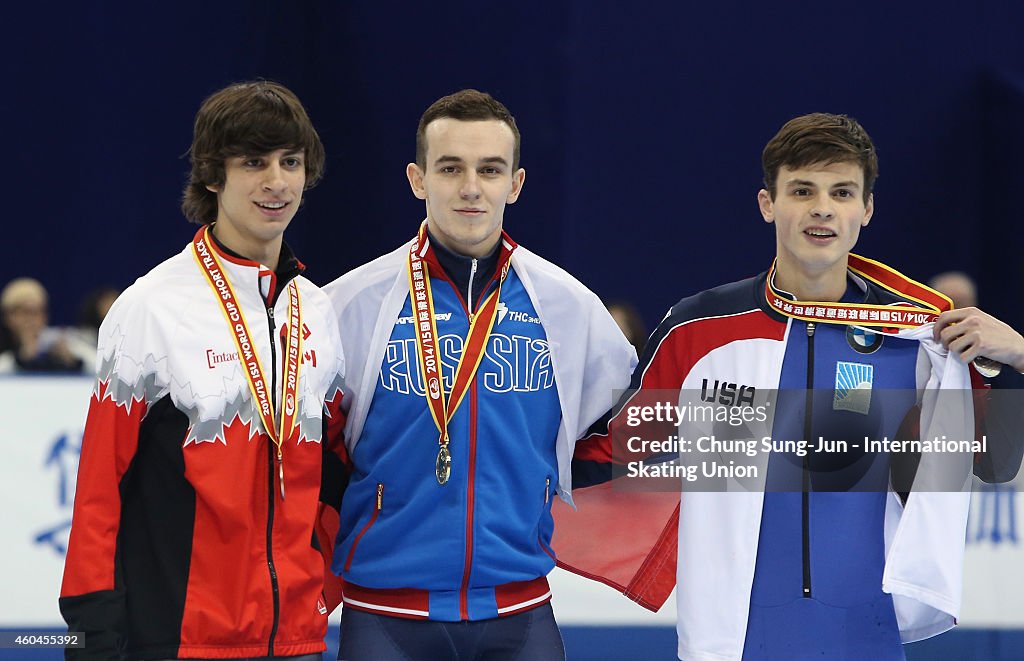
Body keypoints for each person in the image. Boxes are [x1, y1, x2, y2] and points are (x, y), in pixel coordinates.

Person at [556, 113, 1024, 660]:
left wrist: (1012, 357)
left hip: (865, 638)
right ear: (767, 203)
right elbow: (612, 453)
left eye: (842, 191)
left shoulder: (912, 336)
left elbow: (995, 463)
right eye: (802, 190)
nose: (822, 207)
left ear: (866, 210)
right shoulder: (700, 331)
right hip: (732, 642)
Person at [321, 89, 636, 660]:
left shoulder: (568, 306)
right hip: (385, 612)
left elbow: (620, 433)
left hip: (519, 611)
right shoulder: (349, 304)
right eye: (451, 168)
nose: (471, 188)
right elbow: (316, 458)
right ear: (417, 179)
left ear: (515, 183)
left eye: (490, 170)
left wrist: (531, 493)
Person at [59, 80, 346, 661]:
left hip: (296, 641)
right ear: (214, 175)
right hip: (181, 640)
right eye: (253, 162)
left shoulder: (318, 310)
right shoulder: (151, 307)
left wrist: (317, 591)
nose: (276, 182)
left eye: (291, 162)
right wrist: (90, 637)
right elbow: (97, 491)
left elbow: (333, 474)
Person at [0, 277, 91, 374]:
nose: (32, 320)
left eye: (38, 312)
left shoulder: (55, 340)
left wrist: (74, 362)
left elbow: (98, 366)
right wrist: (21, 358)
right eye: (25, 312)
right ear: (8, 315)